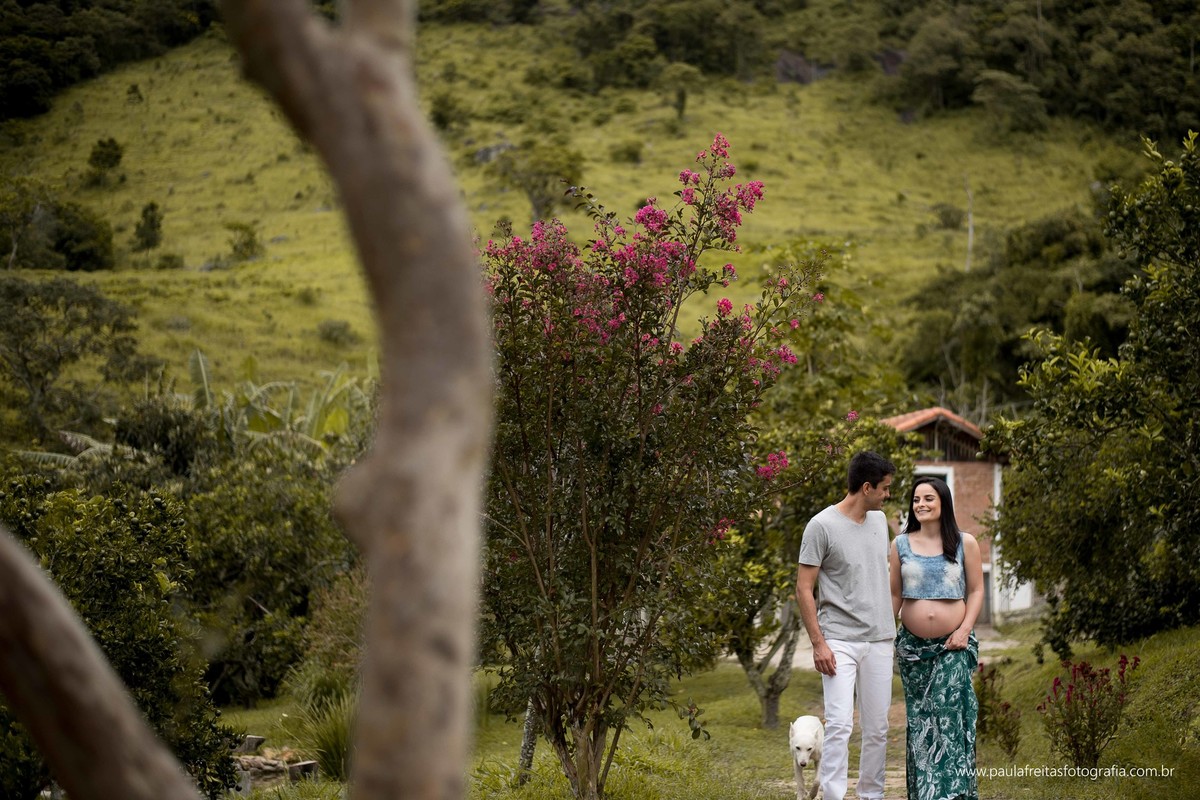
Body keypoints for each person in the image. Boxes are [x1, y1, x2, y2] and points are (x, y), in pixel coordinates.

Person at [796, 450, 897, 800]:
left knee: (878, 728)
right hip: (838, 640)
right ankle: (834, 795)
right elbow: (803, 588)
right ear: (866, 487)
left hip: (881, 640)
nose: (888, 495)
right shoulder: (821, 526)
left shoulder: (879, 522)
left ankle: (871, 794)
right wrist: (818, 643)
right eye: (884, 489)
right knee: (839, 725)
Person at [889, 475, 983, 800]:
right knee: (921, 722)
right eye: (916, 500)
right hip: (913, 652)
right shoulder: (900, 545)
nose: (921, 505)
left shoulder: (963, 542)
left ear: (943, 502)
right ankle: (926, 793)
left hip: (952, 646)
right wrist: (881, 637)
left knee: (947, 717)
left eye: (928, 498)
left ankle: (953, 793)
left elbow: (976, 590)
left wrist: (964, 629)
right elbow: (894, 596)